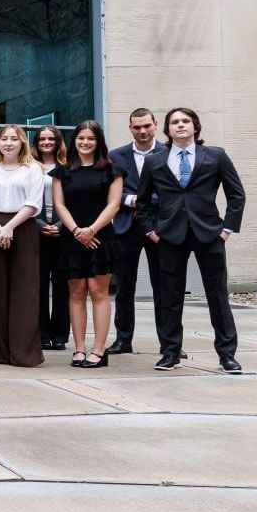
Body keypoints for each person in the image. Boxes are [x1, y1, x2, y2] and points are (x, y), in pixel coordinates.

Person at [137, 107, 246, 374]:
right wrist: (152, 231)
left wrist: (226, 230)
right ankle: (170, 352)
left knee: (217, 296)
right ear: (167, 129)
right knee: (170, 297)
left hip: (209, 233)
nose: (180, 125)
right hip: (170, 236)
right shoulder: (155, 161)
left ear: (195, 127)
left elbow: (237, 195)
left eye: (185, 121)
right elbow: (142, 202)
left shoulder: (216, 156)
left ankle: (227, 354)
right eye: (174, 122)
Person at [52, 120, 123, 369]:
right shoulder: (62, 171)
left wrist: (92, 229)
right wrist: (75, 230)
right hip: (72, 237)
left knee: (98, 291)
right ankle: (79, 348)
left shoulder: (111, 170)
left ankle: (99, 350)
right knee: (77, 292)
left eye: (90, 138)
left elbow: (113, 205)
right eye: (81, 138)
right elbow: (59, 205)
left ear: (98, 142)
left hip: (101, 236)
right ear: (75, 141)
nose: (85, 142)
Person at [0, 125, 44, 367]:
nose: (9, 143)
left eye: (14, 139)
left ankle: (22, 351)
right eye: (4, 138)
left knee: (24, 291)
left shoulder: (33, 169)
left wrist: (10, 227)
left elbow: (34, 203)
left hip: (22, 228)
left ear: (22, 143)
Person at [107, 108, 168, 355]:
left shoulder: (169, 152)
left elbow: (174, 190)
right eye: (137, 127)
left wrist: (142, 203)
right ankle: (123, 339)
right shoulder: (116, 156)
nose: (142, 131)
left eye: (146, 126)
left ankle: (169, 342)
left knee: (164, 287)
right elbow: (108, 190)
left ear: (155, 124)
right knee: (124, 287)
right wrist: (131, 201)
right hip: (126, 227)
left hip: (159, 228)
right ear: (130, 127)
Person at [34, 126, 70, 351]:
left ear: (58, 142)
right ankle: (42, 333)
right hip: (36, 232)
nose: (47, 142)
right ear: (36, 142)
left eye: (51, 138)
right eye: (42, 139)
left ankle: (60, 334)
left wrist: (59, 225)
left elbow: (73, 201)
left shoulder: (68, 167)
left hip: (63, 233)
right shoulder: (29, 167)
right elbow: (23, 199)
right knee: (37, 284)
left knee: (62, 285)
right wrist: (40, 226)